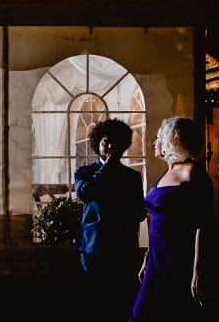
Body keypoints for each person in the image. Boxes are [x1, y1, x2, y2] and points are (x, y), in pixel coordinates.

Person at [130, 116, 214, 321]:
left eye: (159, 138)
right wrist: (148, 256)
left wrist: (197, 271)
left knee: (176, 312)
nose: (154, 142)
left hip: (177, 255)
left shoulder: (193, 174)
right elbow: (158, 219)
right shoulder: (168, 171)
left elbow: (203, 227)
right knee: (142, 313)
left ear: (171, 141)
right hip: (157, 255)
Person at [74, 118, 148, 321]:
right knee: (94, 300)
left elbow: (139, 213)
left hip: (123, 248)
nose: (109, 145)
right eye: (105, 141)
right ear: (97, 143)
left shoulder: (132, 177)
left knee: (122, 301)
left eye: (114, 141)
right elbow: (84, 193)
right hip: (92, 248)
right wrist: (107, 167)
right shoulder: (85, 171)